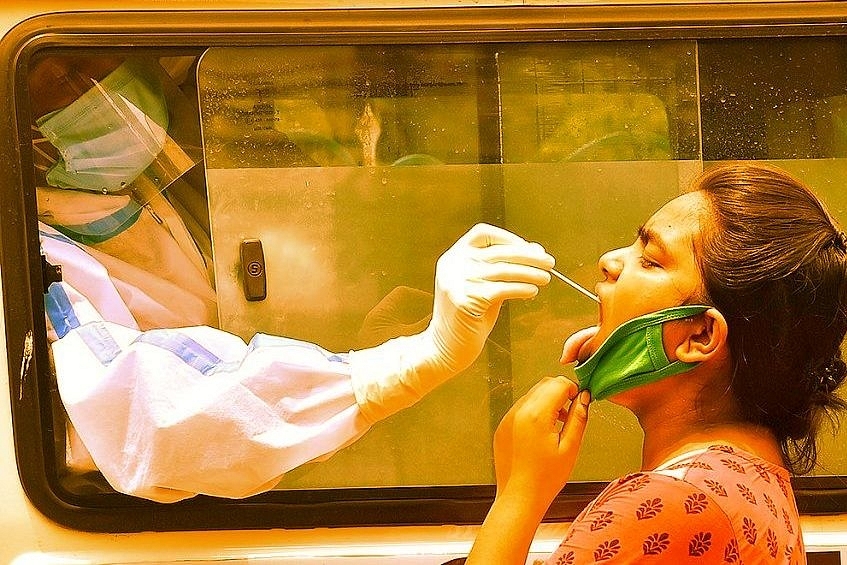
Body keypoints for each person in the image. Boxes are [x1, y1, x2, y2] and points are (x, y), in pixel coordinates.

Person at [32, 55, 558, 503]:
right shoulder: (37, 259)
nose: (88, 90)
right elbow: (155, 420)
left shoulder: (152, 182)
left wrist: (369, 345)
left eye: (91, 66)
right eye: (52, 85)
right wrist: (419, 357)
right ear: (27, 131)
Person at [466, 162, 847, 565]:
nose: (609, 262)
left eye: (650, 260)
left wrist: (519, 493)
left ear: (699, 335)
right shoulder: (752, 472)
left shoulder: (669, 505)